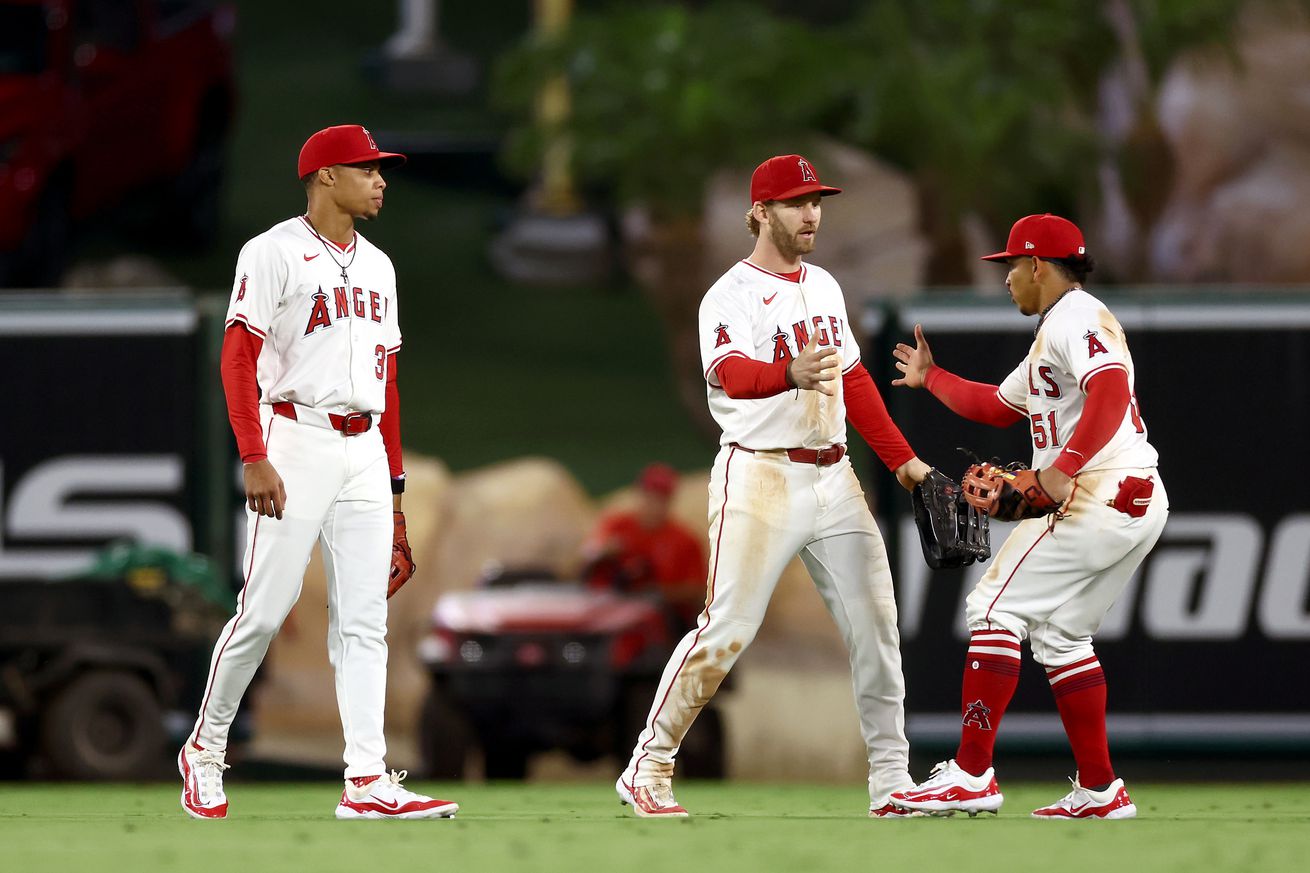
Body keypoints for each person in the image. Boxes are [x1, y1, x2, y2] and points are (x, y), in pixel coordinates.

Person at [615, 154, 933, 819]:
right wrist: (789, 371)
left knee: (877, 627)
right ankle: (649, 763)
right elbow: (730, 374)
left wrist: (904, 462)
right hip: (759, 473)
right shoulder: (728, 294)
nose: (811, 212)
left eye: (816, 200)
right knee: (726, 627)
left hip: (834, 474)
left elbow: (854, 380)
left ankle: (892, 780)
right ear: (760, 212)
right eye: (795, 202)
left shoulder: (823, 286)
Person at [178, 125, 457, 821]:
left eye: (380, 169)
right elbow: (237, 355)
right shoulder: (272, 252)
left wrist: (394, 495)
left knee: (364, 621)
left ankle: (365, 779)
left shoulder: (381, 267)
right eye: (367, 169)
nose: (381, 179)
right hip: (293, 435)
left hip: (363, 449)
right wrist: (253, 453)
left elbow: (387, 384)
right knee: (265, 610)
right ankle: (205, 749)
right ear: (325, 176)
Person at [888, 213, 1168, 820]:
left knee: (992, 608)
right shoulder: (1055, 329)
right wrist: (930, 377)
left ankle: (970, 773)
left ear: (1038, 265)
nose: (1007, 277)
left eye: (1012, 265)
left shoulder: (1077, 317)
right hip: (1133, 496)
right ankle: (1100, 790)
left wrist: (1062, 467)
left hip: (1099, 490)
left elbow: (1112, 387)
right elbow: (995, 406)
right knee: (1062, 635)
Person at [581, 463, 706, 629]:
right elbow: (588, 553)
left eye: (660, 498)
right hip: (611, 608)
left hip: (662, 619)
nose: (653, 504)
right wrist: (604, 553)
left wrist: (658, 593)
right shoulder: (617, 525)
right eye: (649, 496)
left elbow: (696, 589)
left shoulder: (685, 539)